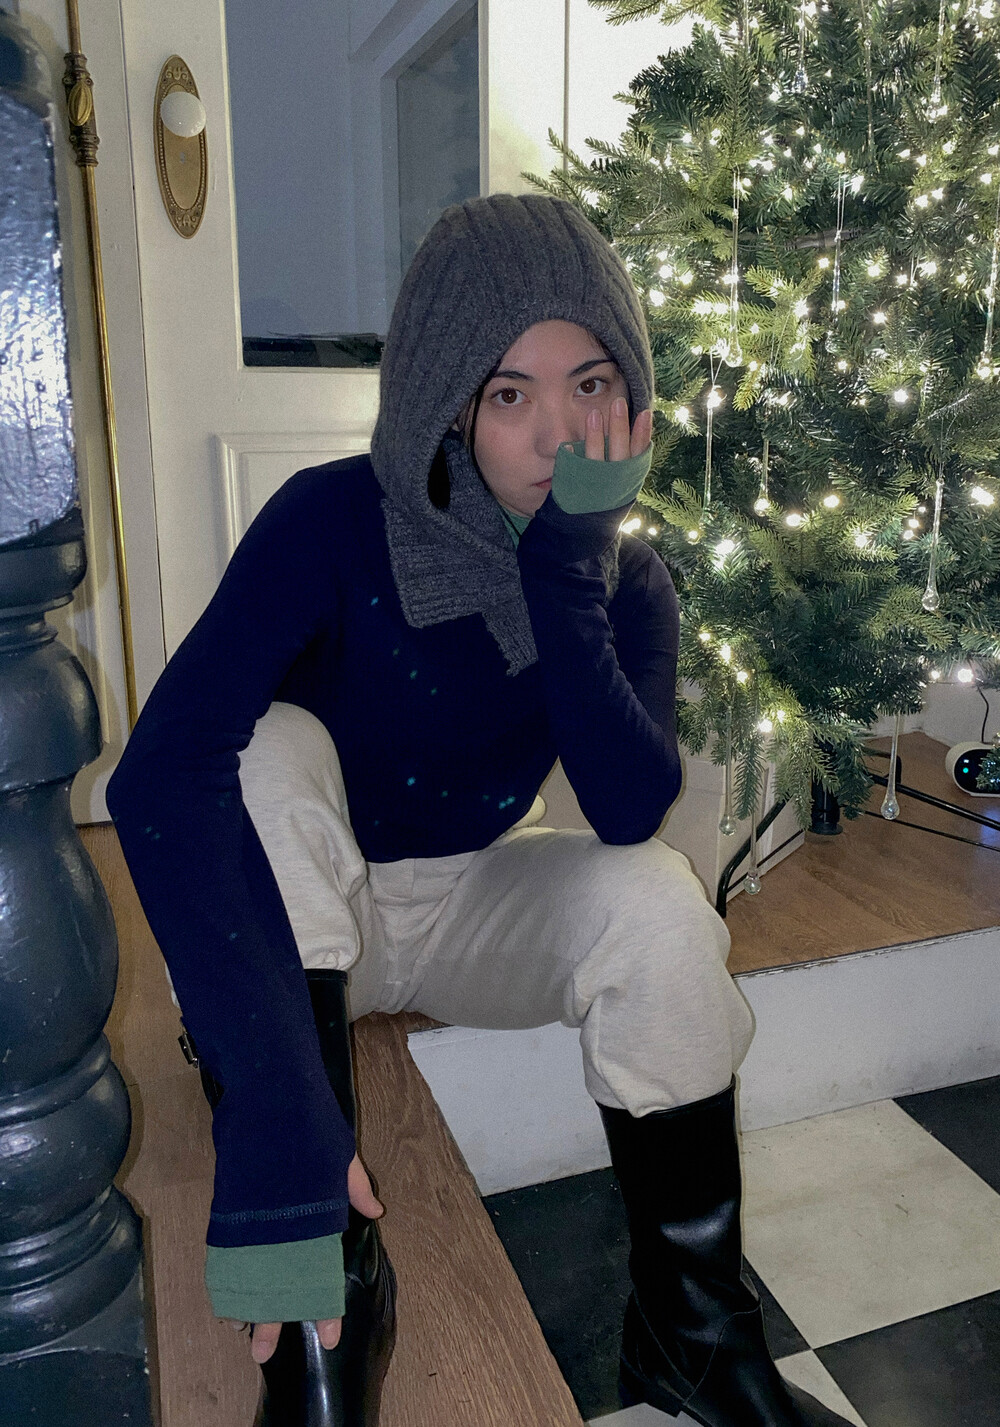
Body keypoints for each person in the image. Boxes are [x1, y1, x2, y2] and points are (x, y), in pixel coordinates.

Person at [107, 194, 851, 1427]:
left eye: (590, 383)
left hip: (463, 899)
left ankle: (691, 1334)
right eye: (510, 392)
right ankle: (325, 1312)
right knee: (266, 749)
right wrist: (279, 1114)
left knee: (657, 901)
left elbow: (626, 805)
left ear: (633, 400)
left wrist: (567, 568)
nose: (558, 431)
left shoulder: (623, 578)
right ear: (447, 402)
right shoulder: (329, 519)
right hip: (300, 917)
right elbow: (157, 776)